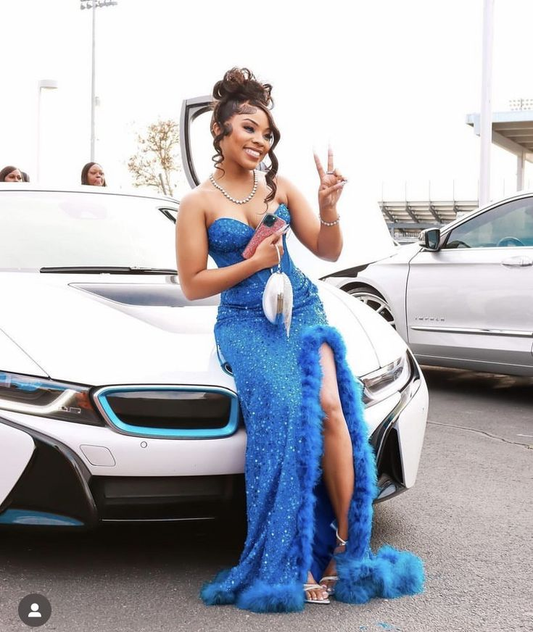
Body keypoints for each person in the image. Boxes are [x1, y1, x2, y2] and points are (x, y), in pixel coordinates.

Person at [176, 67, 424, 613]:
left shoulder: (280, 188)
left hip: (303, 310)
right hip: (246, 323)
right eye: (248, 128)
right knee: (288, 408)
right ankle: (290, 556)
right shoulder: (197, 202)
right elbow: (192, 284)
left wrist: (329, 209)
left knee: (335, 409)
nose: (259, 140)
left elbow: (328, 250)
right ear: (219, 129)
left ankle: (344, 551)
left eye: (267, 133)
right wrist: (253, 264)